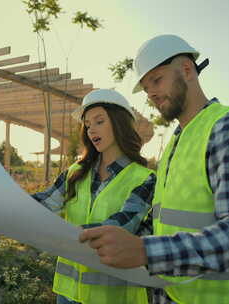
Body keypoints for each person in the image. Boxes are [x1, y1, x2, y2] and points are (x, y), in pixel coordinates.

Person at [79, 34, 229, 304]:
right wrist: (118, 241)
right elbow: (165, 223)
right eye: (146, 88)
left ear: (187, 70)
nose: (152, 94)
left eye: (157, 80)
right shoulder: (176, 142)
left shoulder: (228, 129)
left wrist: (145, 251)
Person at [32, 88, 155, 304]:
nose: (91, 130)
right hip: (68, 294)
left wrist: (69, 234)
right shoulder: (75, 173)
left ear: (119, 123)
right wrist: (4, 202)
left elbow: (121, 227)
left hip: (114, 297)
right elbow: (44, 205)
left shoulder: (143, 178)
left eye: (99, 121)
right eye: (87, 125)